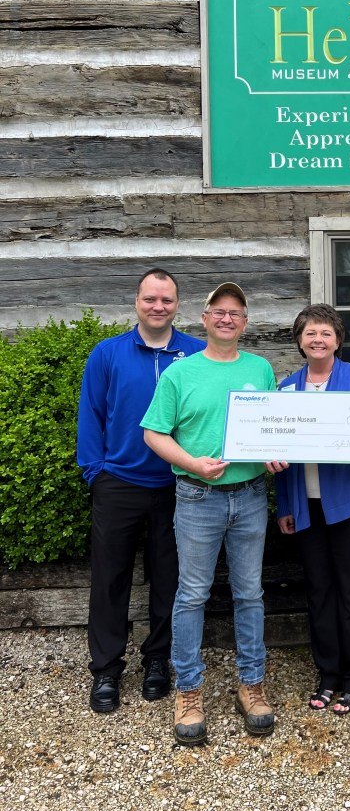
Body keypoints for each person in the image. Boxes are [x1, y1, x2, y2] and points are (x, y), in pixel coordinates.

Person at [141, 282, 277, 746]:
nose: (226, 318)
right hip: (198, 496)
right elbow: (154, 435)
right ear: (204, 318)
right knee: (193, 594)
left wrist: (275, 454)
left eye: (235, 312)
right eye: (218, 311)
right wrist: (193, 463)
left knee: (250, 594)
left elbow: (272, 426)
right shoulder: (180, 374)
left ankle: (252, 685)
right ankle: (189, 690)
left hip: (251, 494)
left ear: (245, 322)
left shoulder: (260, 369)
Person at [77, 268, 205, 714]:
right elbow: (91, 415)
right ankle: (107, 669)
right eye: (150, 299)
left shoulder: (196, 353)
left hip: (179, 486)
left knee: (171, 580)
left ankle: (157, 661)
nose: (158, 307)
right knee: (110, 580)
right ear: (136, 302)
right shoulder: (108, 354)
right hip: (119, 484)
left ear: (177, 304)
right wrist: (96, 473)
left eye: (167, 300)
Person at [268, 304, 350, 716]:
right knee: (319, 591)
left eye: (326, 333)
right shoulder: (286, 389)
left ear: (338, 339)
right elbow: (278, 447)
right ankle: (328, 675)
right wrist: (285, 503)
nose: (318, 339)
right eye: (310, 333)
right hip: (305, 505)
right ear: (299, 340)